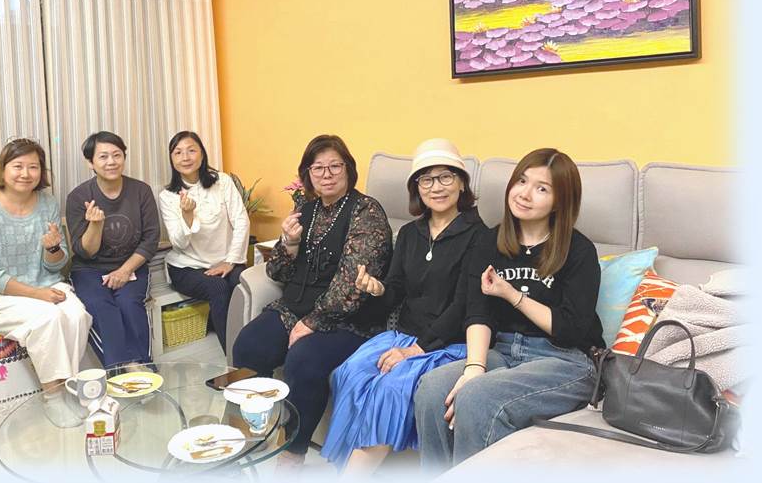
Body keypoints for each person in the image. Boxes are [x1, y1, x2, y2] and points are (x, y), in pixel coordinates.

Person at [413, 149, 602, 472]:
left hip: (565, 360)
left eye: (542, 188)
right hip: (504, 352)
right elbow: (478, 312)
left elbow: (570, 328)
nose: (525, 194)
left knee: (478, 397)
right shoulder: (489, 241)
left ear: (560, 201)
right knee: (431, 389)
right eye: (522, 181)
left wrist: (512, 294)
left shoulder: (578, 250)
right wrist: (474, 367)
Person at [321, 139, 488, 475]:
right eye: (426, 179)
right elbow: (395, 288)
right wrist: (378, 288)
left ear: (461, 183)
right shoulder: (411, 233)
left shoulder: (480, 236)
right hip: (403, 334)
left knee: (390, 389)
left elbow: (464, 306)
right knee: (348, 373)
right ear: (416, 188)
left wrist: (416, 350)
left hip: (446, 343)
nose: (436, 187)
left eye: (445, 177)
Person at [231, 134, 392, 470]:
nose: (327, 174)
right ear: (307, 174)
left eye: (335, 166)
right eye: (318, 168)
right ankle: (251, 431)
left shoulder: (367, 211)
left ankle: (293, 453)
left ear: (348, 170)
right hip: (295, 308)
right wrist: (289, 244)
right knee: (249, 345)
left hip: (348, 318)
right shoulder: (306, 209)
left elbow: (353, 284)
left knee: (303, 361)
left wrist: (312, 322)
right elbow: (276, 272)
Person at [0, 138, 92, 426]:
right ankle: (53, 397)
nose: (25, 173)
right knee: (49, 319)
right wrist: (37, 294)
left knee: (77, 315)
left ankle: (69, 386)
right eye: (18, 166)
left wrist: (53, 248)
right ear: (3, 169)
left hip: (46, 285)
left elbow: (56, 265)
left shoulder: (47, 202)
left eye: (33, 167)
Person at [65, 131, 160, 369]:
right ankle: (124, 368)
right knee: (100, 305)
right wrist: (95, 226)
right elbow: (84, 252)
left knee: (129, 303)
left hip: (131, 265)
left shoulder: (141, 191)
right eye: (103, 156)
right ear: (90, 163)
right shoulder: (78, 197)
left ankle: (144, 367)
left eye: (117, 155)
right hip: (89, 270)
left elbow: (150, 239)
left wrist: (124, 271)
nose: (111, 162)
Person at [157, 131, 249, 352]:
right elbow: (179, 243)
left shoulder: (222, 181)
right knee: (218, 287)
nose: (185, 157)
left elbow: (241, 221)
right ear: (171, 159)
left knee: (242, 283)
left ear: (202, 154)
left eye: (191, 150)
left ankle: (251, 347)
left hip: (226, 260)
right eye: (178, 152)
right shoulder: (167, 196)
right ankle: (234, 358)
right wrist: (188, 215)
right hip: (187, 266)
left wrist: (230, 261)